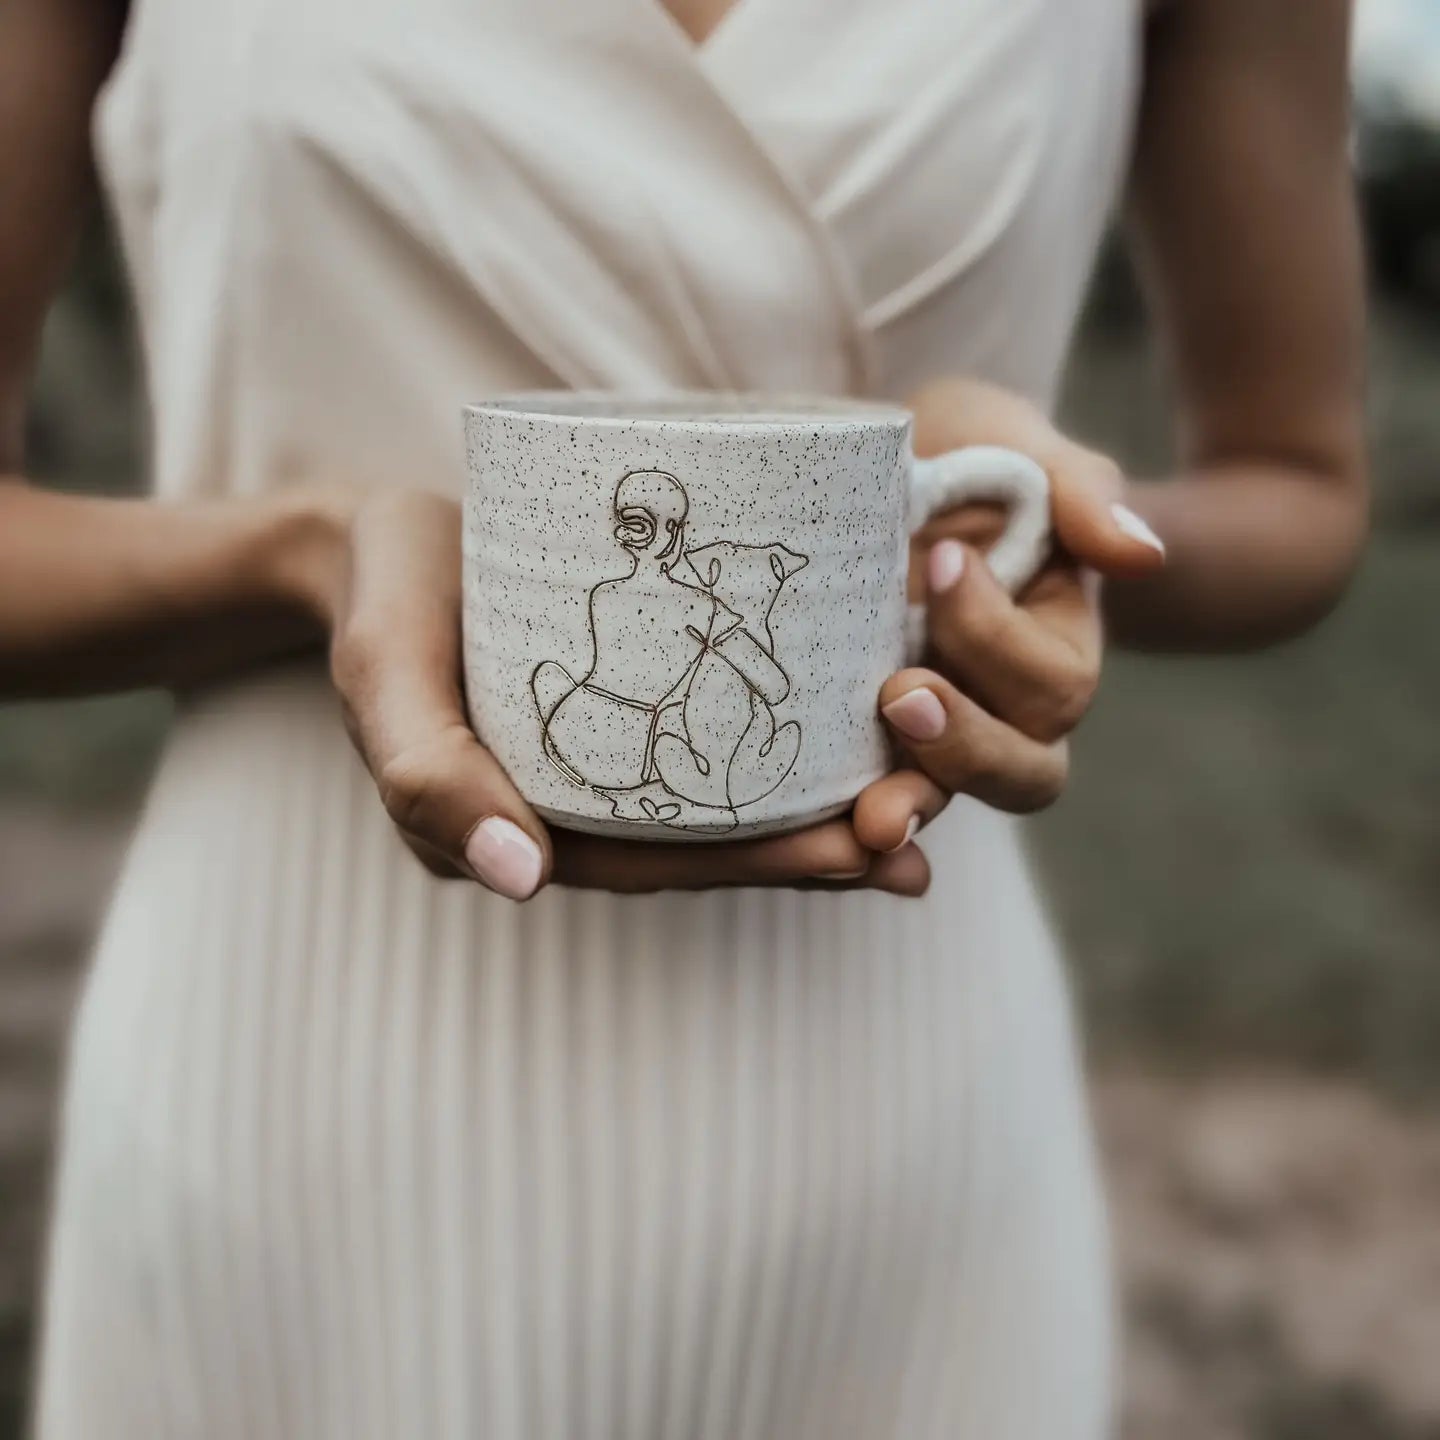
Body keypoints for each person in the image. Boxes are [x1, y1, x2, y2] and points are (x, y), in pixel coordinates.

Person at [0, 0, 1365, 1434]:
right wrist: (301, 549)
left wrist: (1041, 524)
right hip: (287, 1067)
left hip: (899, 1104)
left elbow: (1301, 486)